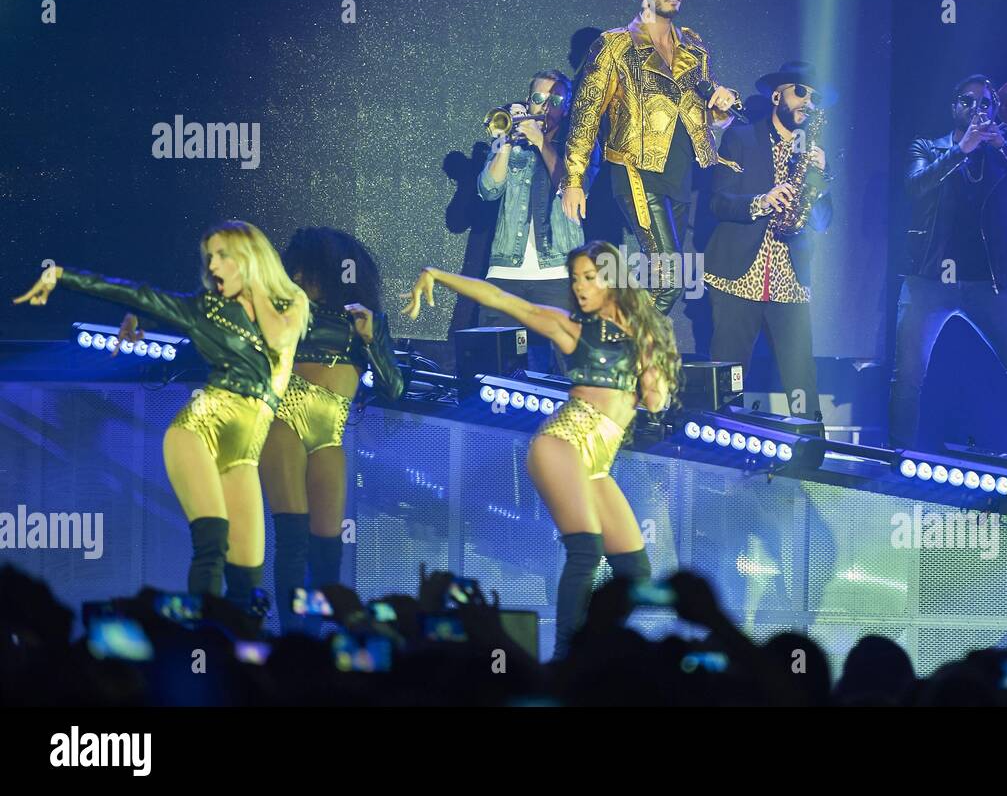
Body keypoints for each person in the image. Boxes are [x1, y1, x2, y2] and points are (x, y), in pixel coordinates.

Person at [402, 239, 679, 657]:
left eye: (590, 277)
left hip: (598, 460)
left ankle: (594, 644)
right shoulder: (572, 328)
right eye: (575, 280)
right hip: (562, 443)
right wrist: (437, 275)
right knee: (586, 549)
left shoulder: (640, 335)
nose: (580, 287)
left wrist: (650, 352)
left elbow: (656, 400)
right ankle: (567, 657)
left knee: (634, 569)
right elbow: (501, 297)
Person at [13, 221, 309, 604]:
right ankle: (200, 648)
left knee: (248, 581)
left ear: (250, 258)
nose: (213, 266)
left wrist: (257, 288)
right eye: (210, 258)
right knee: (212, 545)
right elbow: (142, 295)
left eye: (223, 256)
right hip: (198, 430)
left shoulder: (293, 302)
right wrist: (64, 276)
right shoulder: (206, 310)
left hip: (245, 451)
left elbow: (278, 337)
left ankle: (242, 658)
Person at [888, 74, 1007, 470]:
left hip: (987, 284)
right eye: (968, 101)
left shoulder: (999, 154)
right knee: (908, 376)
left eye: (985, 103)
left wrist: (1005, 148)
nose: (977, 109)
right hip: (928, 281)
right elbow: (915, 187)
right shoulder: (927, 147)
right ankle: (895, 461)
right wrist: (962, 149)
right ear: (954, 107)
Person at [561, 0, 741, 314]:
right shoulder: (615, 45)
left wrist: (720, 106)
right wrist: (573, 179)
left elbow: (701, 108)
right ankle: (625, 351)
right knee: (671, 279)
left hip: (680, 172)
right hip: (636, 171)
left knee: (664, 280)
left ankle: (626, 348)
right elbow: (586, 113)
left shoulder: (693, 44)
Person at [260, 227, 405, 632]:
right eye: (296, 272)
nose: (300, 279)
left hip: (328, 433)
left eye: (308, 272)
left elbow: (395, 388)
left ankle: (316, 633)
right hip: (283, 420)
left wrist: (371, 339)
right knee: (292, 539)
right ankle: (293, 636)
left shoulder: (366, 320)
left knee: (327, 549)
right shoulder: (283, 313)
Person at [704, 60, 833, 417]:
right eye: (801, 92)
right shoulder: (740, 138)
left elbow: (823, 222)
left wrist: (821, 179)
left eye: (816, 97)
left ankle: (809, 460)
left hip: (790, 281)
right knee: (727, 377)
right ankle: (718, 453)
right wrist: (761, 201)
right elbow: (717, 201)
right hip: (737, 277)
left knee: (802, 381)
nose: (808, 101)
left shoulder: (814, 156)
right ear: (777, 95)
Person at [477, 69, 586, 373]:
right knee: (492, 367)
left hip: (558, 273)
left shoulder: (579, 148)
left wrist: (542, 143)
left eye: (555, 100)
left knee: (570, 370)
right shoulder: (511, 144)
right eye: (539, 98)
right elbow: (488, 189)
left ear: (566, 107)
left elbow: (573, 189)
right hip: (505, 270)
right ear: (529, 102)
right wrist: (506, 142)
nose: (545, 106)